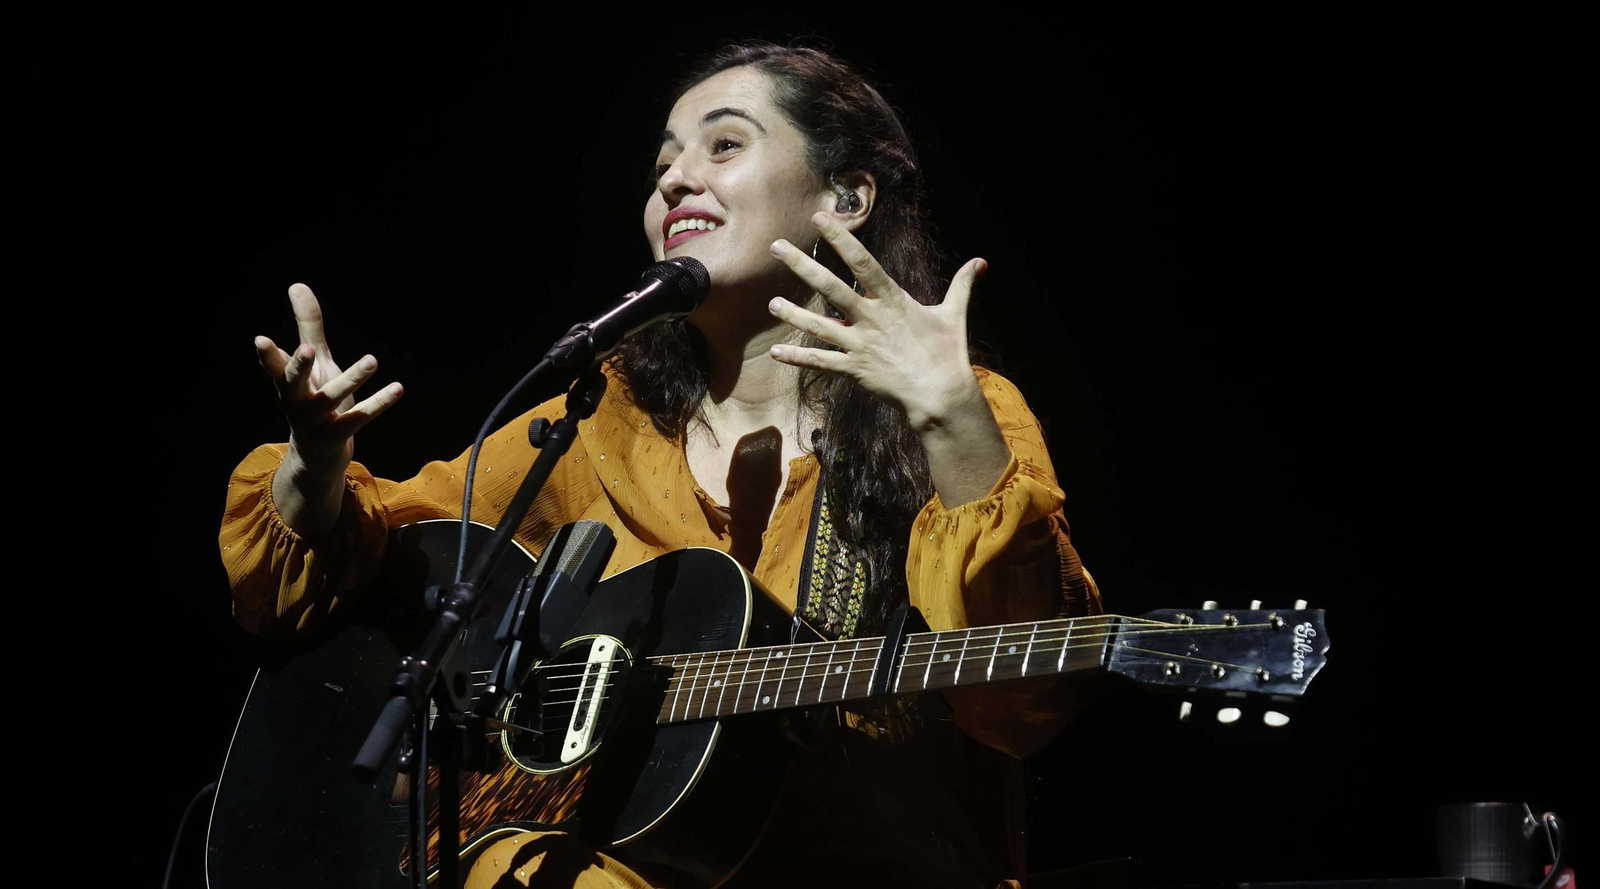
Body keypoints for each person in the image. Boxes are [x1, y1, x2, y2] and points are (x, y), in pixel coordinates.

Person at [221, 40, 1101, 889]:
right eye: (663, 165)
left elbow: (1027, 699)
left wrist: (949, 417)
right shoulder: (603, 420)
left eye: (725, 145)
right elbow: (344, 568)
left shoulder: (957, 410)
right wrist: (316, 461)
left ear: (848, 196)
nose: (677, 178)